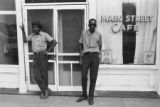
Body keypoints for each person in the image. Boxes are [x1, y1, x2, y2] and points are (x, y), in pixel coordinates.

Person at [20, 21, 57, 99]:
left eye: (36, 27)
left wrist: (48, 51)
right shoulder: (32, 35)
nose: (34, 29)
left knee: (44, 75)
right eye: (33, 27)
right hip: (35, 56)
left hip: (42, 56)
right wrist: (23, 31)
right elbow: (25, 40)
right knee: (36, 76)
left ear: (40, 28)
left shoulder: (44, 35)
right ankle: (45, 90)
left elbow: (54, 42)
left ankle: (44, 92)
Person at [77, 19, 102, 105]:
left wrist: (98, 55)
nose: (92, 26)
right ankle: (84, 95)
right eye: (90, 25)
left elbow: (100, 45)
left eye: (93, 25)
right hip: (86, 56)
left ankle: (91, 97)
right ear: (88, 25)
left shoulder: (99, 34)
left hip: (95, 56)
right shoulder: (83, 33)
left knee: (93, 77)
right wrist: (80, 57)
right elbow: (80, 45)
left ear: (95, 26)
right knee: (84, 76)